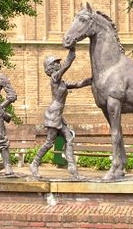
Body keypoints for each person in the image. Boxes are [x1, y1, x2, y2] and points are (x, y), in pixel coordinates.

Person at [30, 46, 91, 179]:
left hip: (58, 114)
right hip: (53, 114)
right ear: (51, 67)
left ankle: (73, 170)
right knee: (49, 142)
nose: (58, 64)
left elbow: (77, 84)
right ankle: (34, 164)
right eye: (56, 63)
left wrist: (90, 81)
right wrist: (72, 52)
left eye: (58, 62)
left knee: (69, 139)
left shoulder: (60, 82)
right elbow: (66, 66)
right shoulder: (55, 77)